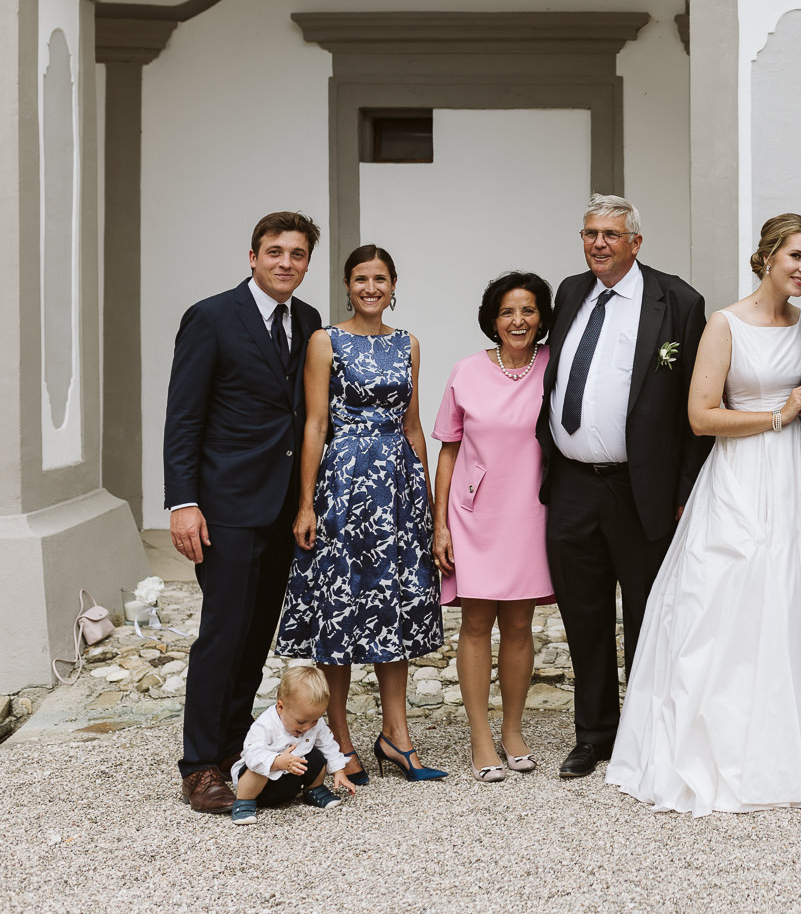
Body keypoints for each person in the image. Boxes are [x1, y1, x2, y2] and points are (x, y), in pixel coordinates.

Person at [607, 214, 801, 814]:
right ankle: (716, 744)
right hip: (738, 473)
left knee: (796, 600)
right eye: (796, 258)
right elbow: (702, 416)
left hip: (797, 478)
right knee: (723, 600)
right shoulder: (723, 324)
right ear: (766, 258)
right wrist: (776, 418)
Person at [539, 194, 711, 780]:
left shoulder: (678, 302)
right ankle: (593, 735)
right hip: (571, 486)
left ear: (636, 242)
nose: (599, 245)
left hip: (643, 489)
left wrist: (685, 487)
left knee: (646, 615)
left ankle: (643, 734)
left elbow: (695, 403)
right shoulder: (568, 293)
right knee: (583, 617)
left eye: (611, 235)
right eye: (590, 234)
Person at [164, 211, 323, 814]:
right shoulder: (210, 317)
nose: (286, 262)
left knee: (256, 636)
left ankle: (236, 748)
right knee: (221, 635)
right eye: (275, 251)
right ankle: (200, 765)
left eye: (298, 254)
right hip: (225, 506)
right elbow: (184, 417)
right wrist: (183, 502)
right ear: (253, 256)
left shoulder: (307, 322)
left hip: (283, 507)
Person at [277, 244, 446, 782]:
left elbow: (414, 425)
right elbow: (315, 424)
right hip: (344, 486)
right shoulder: (326, 340)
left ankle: (396, 736)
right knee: (343, 607)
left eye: (380, 279)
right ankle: (340, 738)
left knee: (393, 605)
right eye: (360, 279)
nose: (370, 287)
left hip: (397, 489)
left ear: (394, 284)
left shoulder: (409, 343)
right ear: (347, 286)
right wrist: (306, 504)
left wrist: (429, 502)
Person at [433, 272, 557, 782]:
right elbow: (448, 449)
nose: (518, 321)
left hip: (531, 509)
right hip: (475, 513)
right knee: (477, 623)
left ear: (542, 317)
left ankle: (512, 730)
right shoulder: (465, 370)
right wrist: (439, 523)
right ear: (492, 318)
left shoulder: (555, 364)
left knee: (521, 625)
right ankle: (480, 735)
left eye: (528, 310)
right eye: (508, 311)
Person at [231, 665, 356, 825]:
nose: (308, 727)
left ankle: (313, 789)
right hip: (262, 786)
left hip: (292, 778)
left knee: (318, 757)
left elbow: (328, 744)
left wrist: (339, 770)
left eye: (315, 720)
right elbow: (251, 754)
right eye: (301, 722)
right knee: (258, 769)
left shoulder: (313, 723)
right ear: (280, 707)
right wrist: (277, 762)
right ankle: (244, 803)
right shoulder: (266, 725)